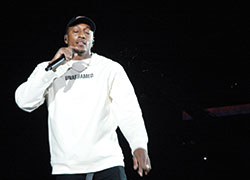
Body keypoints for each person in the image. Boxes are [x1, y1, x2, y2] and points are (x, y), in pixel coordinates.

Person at [15, 16, 151, 180]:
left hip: (108, 164)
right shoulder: (48, 69)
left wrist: (138, 145)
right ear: (66, 38)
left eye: (87, 32)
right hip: (67, 168)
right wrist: (52, 68)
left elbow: (128, 110)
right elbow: (24, 101)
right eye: (76, 31)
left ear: (92, 40)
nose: (82, 35)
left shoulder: (110, 68)